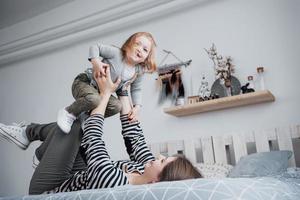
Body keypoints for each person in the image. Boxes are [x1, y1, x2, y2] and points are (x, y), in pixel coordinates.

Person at [0, 67, 201, 195]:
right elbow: (135, 137)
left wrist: (105, 94)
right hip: (77, 173)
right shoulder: (143, 169)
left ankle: (33, 138)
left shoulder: (116, 185)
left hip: (49, 187)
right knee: (71, 123)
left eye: (163, 161)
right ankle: (34, 141)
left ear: (158, 181)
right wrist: (124, 88)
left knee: (76, 125)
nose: (159, 156)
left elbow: (93, 139)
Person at [57, 32, 157, 133]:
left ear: (147, 57)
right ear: (128, 44)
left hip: (101, 93)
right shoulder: (116, 53)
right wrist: (96, 62)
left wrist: (137, 107)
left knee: (117, 106)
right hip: (85, 82)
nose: (140, 49)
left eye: (145, 50)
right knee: (94, 99)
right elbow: (95, 47)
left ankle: (87, 117)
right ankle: (69, 112)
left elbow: (136, 89)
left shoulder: (138, 71)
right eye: (137, 44)